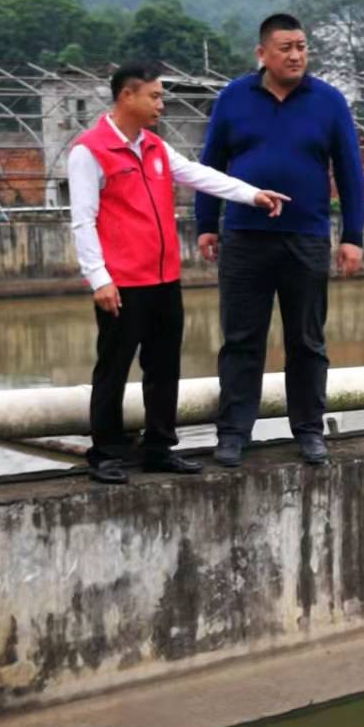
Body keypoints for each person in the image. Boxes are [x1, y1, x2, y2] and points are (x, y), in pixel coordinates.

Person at [69, 62, 287, 485]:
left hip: (164, 279)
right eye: (154, 96)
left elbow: (199, 175)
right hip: (123, 283)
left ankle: (159, 447)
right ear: (126, 96)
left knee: (164, 366)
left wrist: (251, 195)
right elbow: (83, 220)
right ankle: (107, 452)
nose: (161, 105)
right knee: (113, 366)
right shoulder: (89, 151)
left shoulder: (154, 147)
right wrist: (99, 279)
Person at [193, 15, 364, 468]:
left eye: (302, 47)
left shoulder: (328, 102)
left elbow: (349, 172)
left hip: (306, 238)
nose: (295, 55)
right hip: (245, 238)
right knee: (241, 339)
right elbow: (210, 164)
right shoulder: (233, 98)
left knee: (307, 341)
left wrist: (352, 236)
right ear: (262, 53)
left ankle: (309, 430)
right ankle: (233, 433)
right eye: (286, 47)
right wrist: (206, 224)